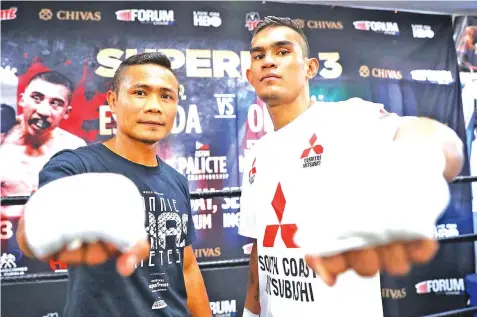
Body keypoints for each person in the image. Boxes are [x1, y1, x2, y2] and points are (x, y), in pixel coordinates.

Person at [238, 17, 464, 317]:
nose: (268, 61)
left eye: (282, 52)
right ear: (250, 75)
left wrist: (417, 170)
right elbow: (260, 251)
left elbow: (443, 140)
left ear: (310, 68)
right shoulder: (257, 154)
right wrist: (250, 314)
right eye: (259, 55)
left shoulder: (347, 119)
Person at [16, 52, 212, 317]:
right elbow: (33, 231)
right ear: (113, 101)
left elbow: (187, 267)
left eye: (166, 96)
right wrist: (42, 228)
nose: (154, 106)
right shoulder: (77, 165)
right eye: (140, 93)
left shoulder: (175, 180)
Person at [0, 71, 86, 217]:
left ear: (66, 112)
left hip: (53, 235)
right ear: (22, 100)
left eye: (55, 103)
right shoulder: (2, 142)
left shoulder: (74, 149)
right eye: (36, 98)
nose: (44, 111)